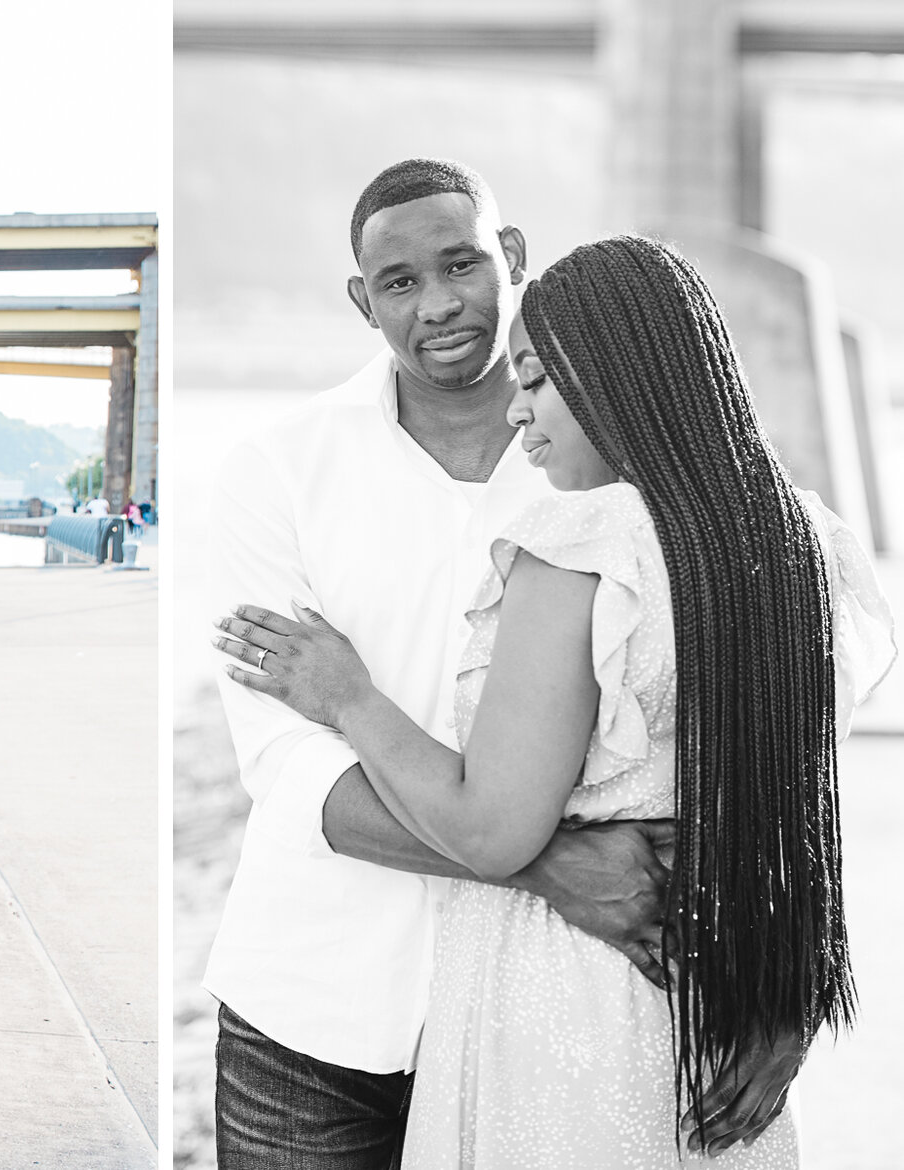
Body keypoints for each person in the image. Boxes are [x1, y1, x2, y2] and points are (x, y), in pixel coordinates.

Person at [215, 234, 894, 1165]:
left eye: (533, 383)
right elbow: (797, 808)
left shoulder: (584, 541)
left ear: (614, 377)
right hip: (714, 1010)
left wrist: (347, 695)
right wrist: (793, 988)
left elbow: (493, 830)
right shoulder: (802, 537)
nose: (520, 417)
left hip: (565, 1005)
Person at [201, 159, 685, 1167]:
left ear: (510, 257)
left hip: (549, 1014)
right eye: (399, 283)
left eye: (460, 265)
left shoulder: (609, 468)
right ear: (360, 300)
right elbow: (287, 767)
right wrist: (552, 868)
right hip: (313, 1011)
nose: (440, 306)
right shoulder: (275, 471)